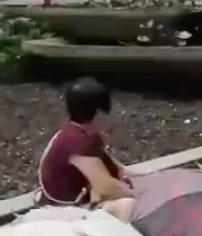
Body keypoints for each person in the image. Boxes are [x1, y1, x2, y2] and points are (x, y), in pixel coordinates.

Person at [38, 78, 136, 222]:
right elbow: (106, 187)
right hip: (63, 210)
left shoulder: (82, 133)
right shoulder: (76, 143)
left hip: (80, 197)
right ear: (98, 112)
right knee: (127, 205)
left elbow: (113, 166)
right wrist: (137, 194)